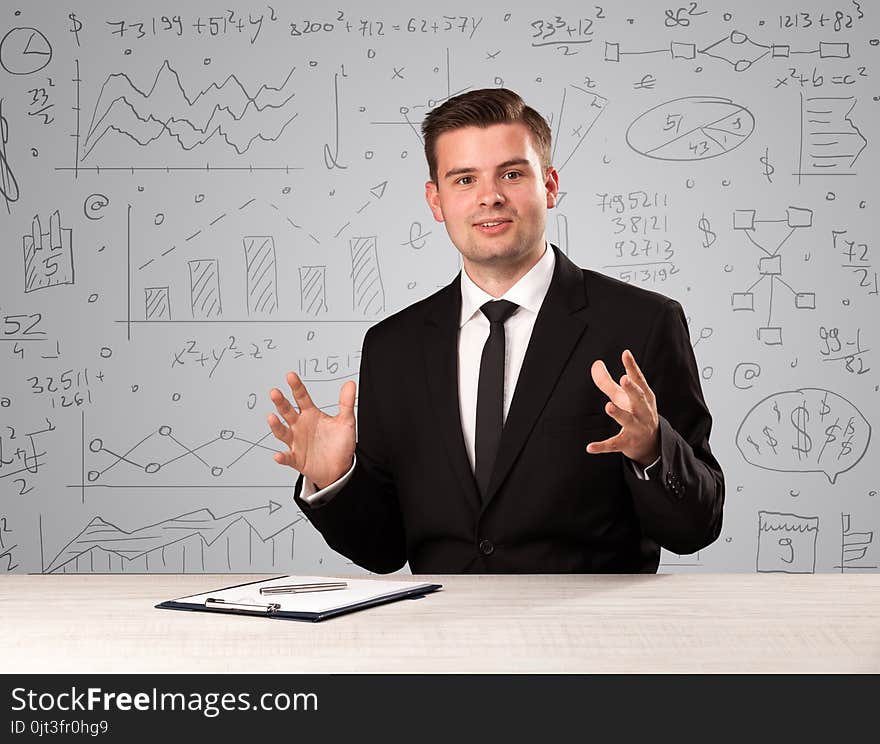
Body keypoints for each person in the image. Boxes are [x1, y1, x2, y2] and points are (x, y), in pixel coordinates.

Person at [267, 88, 724, 574]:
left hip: (590, 637)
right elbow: (382, 550)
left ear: (549, 186)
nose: (490, 196)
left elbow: (697, 528)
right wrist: (337, 478)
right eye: (464, 179)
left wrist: (653, 449)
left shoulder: (643, 323)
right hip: (440, 637)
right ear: (436, 200)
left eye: (511, 173)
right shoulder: (392, 347)